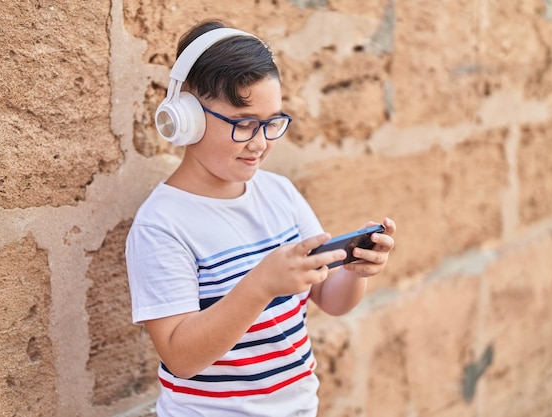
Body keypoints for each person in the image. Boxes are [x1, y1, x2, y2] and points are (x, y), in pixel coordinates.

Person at [126, 19, 396, 417]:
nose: (261, 142)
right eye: (244, 124)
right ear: (187, 118)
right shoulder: (161, 225)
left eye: (272, 123)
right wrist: (260, 286)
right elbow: (181, 357)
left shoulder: (279, 193)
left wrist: (357, 271)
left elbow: (329, 298)